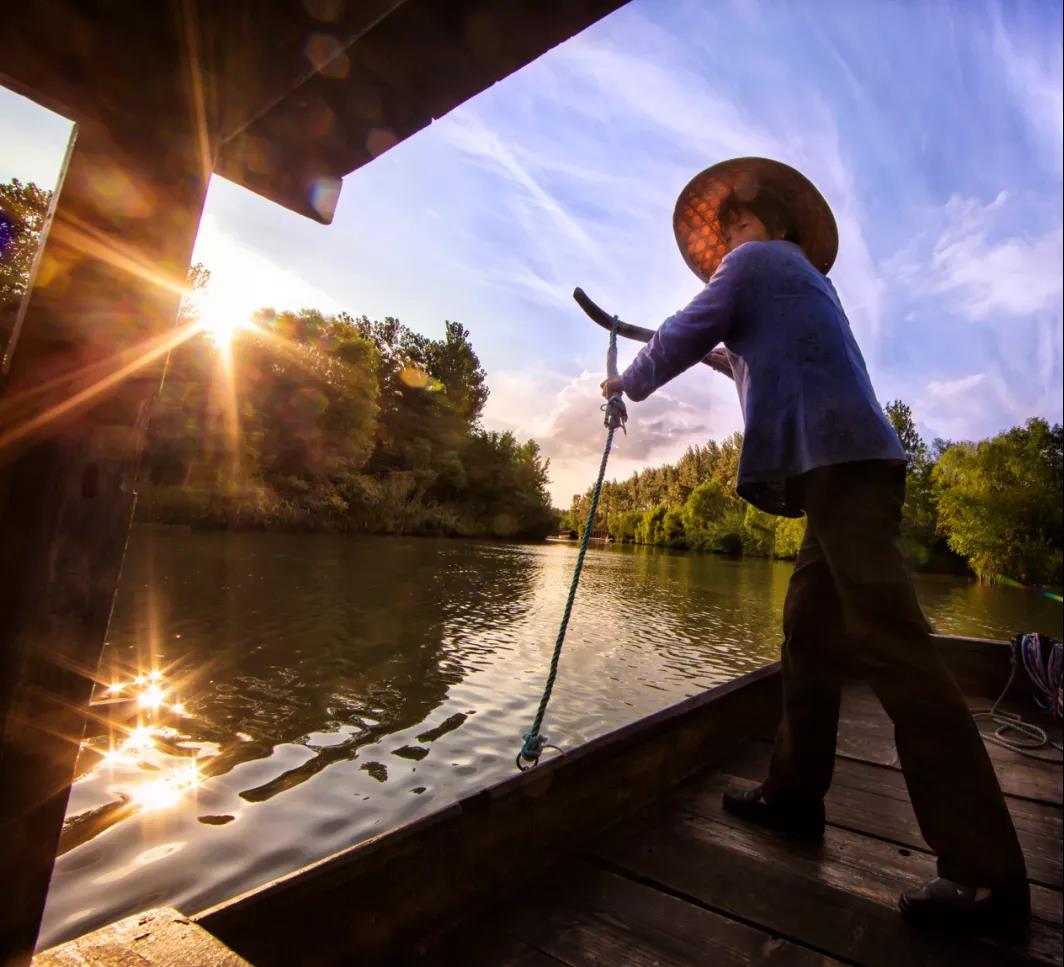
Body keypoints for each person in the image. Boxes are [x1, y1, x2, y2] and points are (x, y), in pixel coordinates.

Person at [599, 157, 1029, 938]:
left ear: (772, 228)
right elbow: (736, 352)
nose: (729, 237)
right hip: (850, 467)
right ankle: (794, 797)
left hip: (841, 467)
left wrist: (626, 381)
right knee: (806, 629)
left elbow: (688, 328)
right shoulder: (799, 282)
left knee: (896, 649)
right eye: (725, 228)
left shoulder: (755, 265)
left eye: (738, 223)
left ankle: (987, 874)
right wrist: (696, 353)